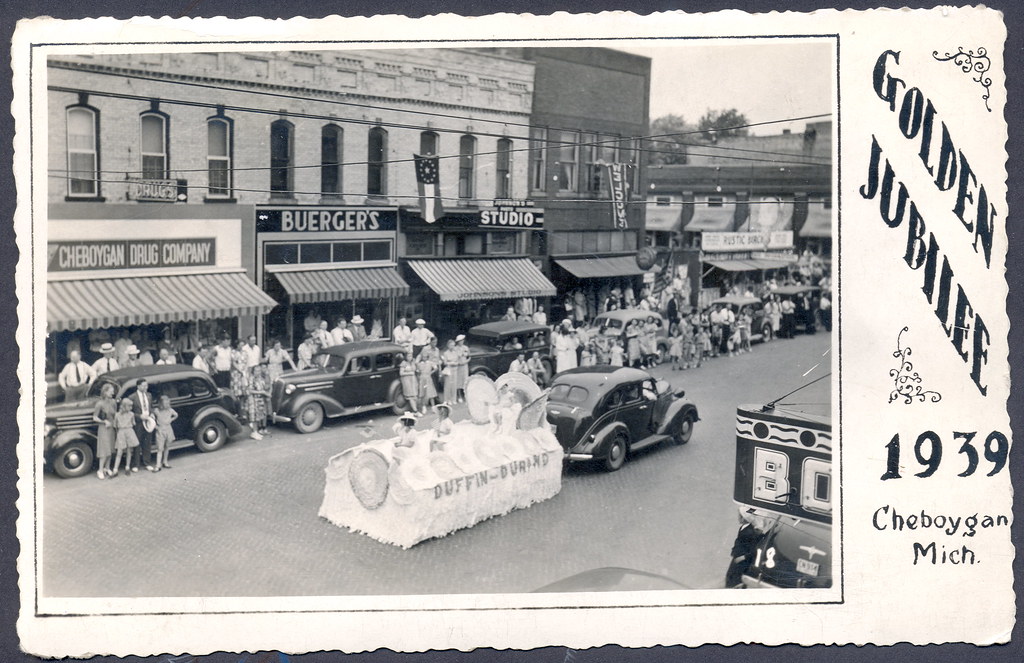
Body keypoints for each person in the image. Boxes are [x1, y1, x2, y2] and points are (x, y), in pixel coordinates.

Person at [91, 382, 117, 479]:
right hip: (103, 428)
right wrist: (103, 421)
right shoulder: (99, 404)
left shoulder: (113, 402)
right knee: (104, 449)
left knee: (110, 449)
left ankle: (107, 468)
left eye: (113, 392)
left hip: (111, 428)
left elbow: (115, 414)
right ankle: (100, 470)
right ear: (105, 392)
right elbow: (94, 417)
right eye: (111, 392)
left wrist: (114, 423)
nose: (112, 393)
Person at [129, 378, 156, 472]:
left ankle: (147, 462)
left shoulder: (149, 395)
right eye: (144, 386)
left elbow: (151, 407)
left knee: (147, 442)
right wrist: (139, 416)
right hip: (138, 423)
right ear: (138, 386)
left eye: (147, 385)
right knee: (137, 443)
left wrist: (151, 413)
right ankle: (136, 464)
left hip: (148, 421)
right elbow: (130, 412)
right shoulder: (132, 397)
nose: (146, 387)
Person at [112, 398, 139, 478]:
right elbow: (115, 426)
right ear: (124, 406)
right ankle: (115, 469)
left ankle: (127, 467)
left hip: (129, 431)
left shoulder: (131, 414)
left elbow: (133, 423)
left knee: (129, 451)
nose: (131, 408)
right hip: (121, 432)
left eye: (131, 406)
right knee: (119, 451)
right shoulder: (117, 415)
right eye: (129, 406)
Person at [153, 394, 178, 471]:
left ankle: (165, 462)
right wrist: (155, 426)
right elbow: (151, 419)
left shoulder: (170, 410)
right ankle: (158, 465)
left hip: (168, 429)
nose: (167, 405)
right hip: (160, 430)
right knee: (160, 448)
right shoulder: (156, 411)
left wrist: (171, 420)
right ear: (161, 403)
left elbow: (176, 415)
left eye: (168, 403)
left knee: (167, 446)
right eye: (165, 403)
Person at [246, 364, 271, 439]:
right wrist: (262, 392)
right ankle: (254, 432)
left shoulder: (260, 378)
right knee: (253, 416)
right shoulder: (251, 378)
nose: (258, 372)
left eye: (259, 370)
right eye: (256, 371)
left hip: (259, 399)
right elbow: (250, 390)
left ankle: (256, 431)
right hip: (252, 399)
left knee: (258, 416)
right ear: (253, 372)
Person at [230, 341, 249, 419]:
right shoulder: (233, 352)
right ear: (237, 345)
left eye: (243, 345)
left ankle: (243, 411)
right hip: (236, 374)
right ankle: (236, 411)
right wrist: (240, 370)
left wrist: (244, 370)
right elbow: (233, 363)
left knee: (244, 392)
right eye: (241, 345)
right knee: (237, 392)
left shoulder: (245, 352)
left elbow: (247, 362)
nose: (242, 346)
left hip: (244, 373)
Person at [441, 340, 459, 404]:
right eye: (451, 345)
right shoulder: (446, 353)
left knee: (454, 385)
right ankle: (446, 399)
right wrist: (452, 363)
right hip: (449, 370)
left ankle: (453, 399)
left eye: (453, 345)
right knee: (448, 385)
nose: (452, 347)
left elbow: (457, 362)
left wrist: (453, 363)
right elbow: (445, 362)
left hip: (455, 369)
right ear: (448, 346)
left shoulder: (455, 353)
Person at [453, 335, 470, 403]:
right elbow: (455, 357)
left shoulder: (465, 347)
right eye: (460, 341)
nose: (461, 342)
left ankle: (465, 396)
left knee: (465, 380)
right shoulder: (455, 348)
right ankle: (459, 396)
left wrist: (467, 360)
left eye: (462, 340)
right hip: (458, 366)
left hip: (465, 366)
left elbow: (469, 355)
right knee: (458, 381)